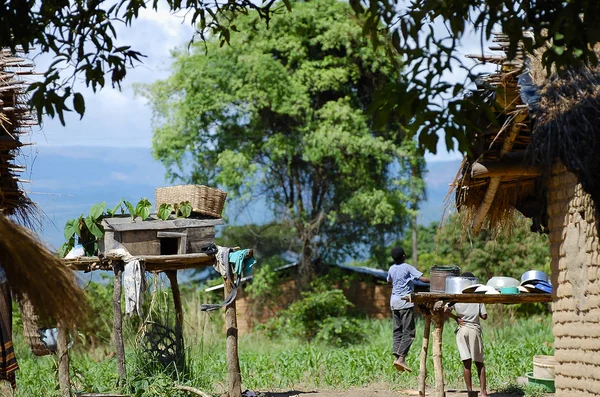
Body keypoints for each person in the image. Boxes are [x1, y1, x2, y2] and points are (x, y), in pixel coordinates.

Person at [445, 272, 488, 397]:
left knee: (466, 362)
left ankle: (470, 391)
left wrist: (456, 318)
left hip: (461, 329)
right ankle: (483, 392)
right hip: (474, 330)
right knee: (479, 362)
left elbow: (445, 309)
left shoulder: (457, 297)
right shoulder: (477, 298)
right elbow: (484, 316)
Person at [387, 246, 430, 373]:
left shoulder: (391, 268)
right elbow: (422, 279)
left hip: (394, 302)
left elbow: (389, 282)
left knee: (397, 331)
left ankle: (396, 357)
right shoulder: (407, 267)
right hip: (405, 302)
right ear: (404, 256)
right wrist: (437, 280)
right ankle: (401, 358)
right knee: (409, 332)